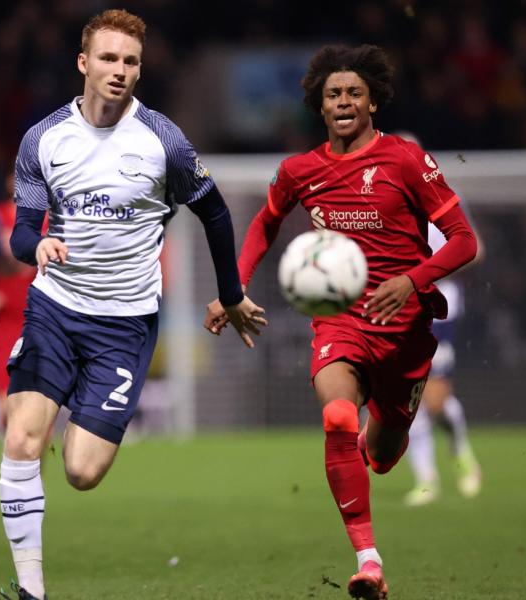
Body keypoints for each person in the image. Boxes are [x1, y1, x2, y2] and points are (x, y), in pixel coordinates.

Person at [0, 10, 266, 600]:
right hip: (55, 309)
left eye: (131, 61)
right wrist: (37, 242)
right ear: (83, 63)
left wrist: (230, 293)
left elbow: (216, 213)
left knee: (81, 472)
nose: (120, 71)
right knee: (21, 440)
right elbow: (21, 232)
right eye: (109, 58)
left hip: (125, 324)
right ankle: (30, 591)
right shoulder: (43, 138)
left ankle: (55, 416)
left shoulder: (163, 141)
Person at [205, 45, 478, 599]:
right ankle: (368, 561)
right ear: (320, 105)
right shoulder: (300, 171)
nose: (345, 101)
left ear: (372, 100)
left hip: (405, 330)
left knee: (380, 454)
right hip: (340, 324)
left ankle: (381, 443)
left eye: (354, 92)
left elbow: (464, 241)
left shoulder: (404, 160)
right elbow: (264, 223)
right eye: (334, 94)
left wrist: (413, 279)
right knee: (336, 417)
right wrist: (231, 290)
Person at [402, 220, 483, 506]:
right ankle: (426, 480)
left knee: (435, 398)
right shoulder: (385, 199)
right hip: (401, 305)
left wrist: (431, 271)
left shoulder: (441, 203)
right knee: (409, 397)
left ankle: (460, 452)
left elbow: (476, 249)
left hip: (439, 308)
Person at [0, 171, 39, 430]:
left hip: (39, 312)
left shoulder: (51, 217)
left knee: (38, 403)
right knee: (5, 404)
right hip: (3, 316)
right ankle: (17, 467)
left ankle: (35, 470)